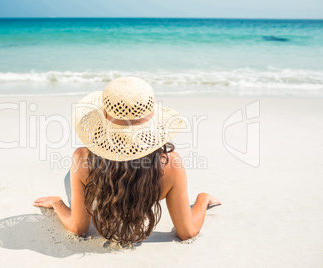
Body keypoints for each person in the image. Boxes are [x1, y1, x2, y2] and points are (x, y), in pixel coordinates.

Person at [34, 77, 221, 244]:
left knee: (72, 175)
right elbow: (187, 232)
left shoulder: (83, 158)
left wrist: (57, 203)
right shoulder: (171, 164)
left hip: (102, 190)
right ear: (152, 116)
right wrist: (202, 199)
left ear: (104, 115)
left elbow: (78, 228)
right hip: (145, 191)